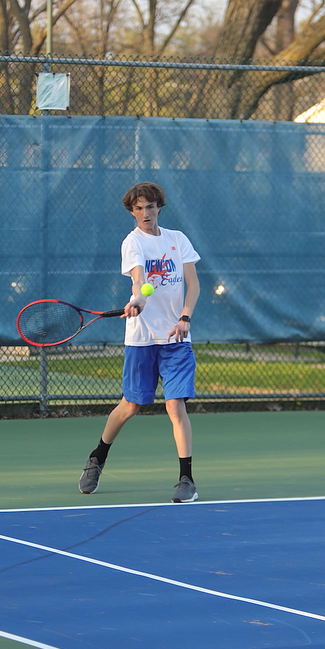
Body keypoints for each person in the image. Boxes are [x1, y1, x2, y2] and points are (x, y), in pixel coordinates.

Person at [79, 181, 201, 503]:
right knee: (130, 406)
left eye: (150, 207)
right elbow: (139, 281)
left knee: (175, 405)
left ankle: (186, 479)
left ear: (159, 207)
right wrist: (139, 301)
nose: (145, 213)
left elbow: (193, 285)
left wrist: (185, 317)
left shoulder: (178, 240)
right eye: (138, 209)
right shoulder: (132, 242)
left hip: (176, 339)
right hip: (142, 340)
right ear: (132, 212)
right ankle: (98, 457)